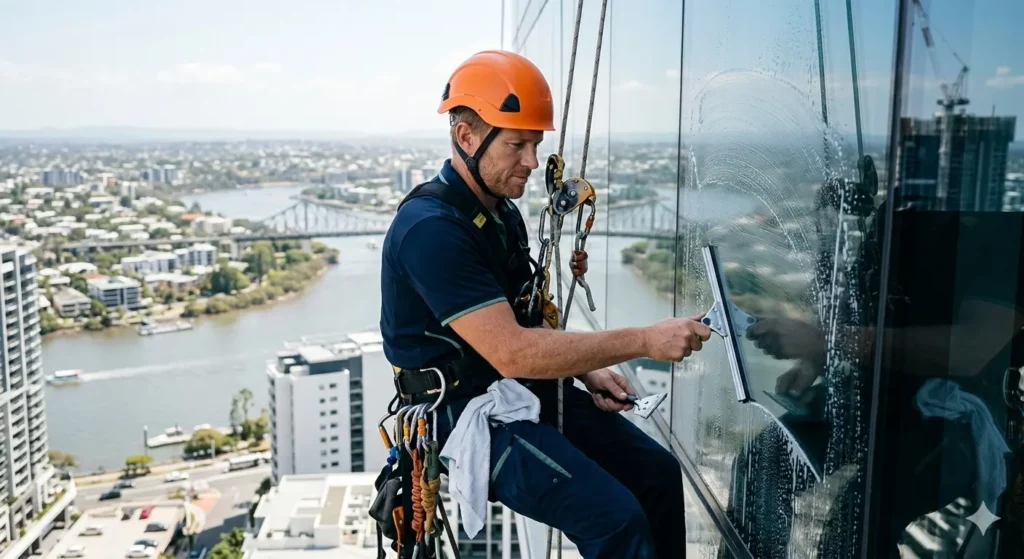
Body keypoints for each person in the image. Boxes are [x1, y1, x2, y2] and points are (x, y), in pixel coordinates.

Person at [379, 50, 711, 559]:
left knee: (657, 474)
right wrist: (643, 340)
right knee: (615, 522)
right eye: (517, 145)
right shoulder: (431, 230)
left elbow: (525, 329)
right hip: (464, 413)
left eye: (535, 144)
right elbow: (513, 350)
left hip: (516, 388)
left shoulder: (500, 216)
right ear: (466, 137)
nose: (533, 162)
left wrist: (584, 372)